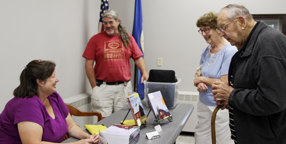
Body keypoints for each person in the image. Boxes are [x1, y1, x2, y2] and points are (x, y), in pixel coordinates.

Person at [212, 4, 286, 144]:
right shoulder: (249, 45)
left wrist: (231, 94)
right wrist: (231, 100)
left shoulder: (268, 43)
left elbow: (273, 100)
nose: (221, 34)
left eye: (223, 27)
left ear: (241, 22)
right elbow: (251, 87)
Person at [0, 60, 101, 144]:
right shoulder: (27, 105)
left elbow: (71, 126)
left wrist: (88, 137)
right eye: (53, 76)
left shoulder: (52, 96)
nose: (57, 79)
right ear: (40, 82)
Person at [82, 10, 148, 118]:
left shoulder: (128, 38)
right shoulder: (95, 39)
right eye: (105, 23)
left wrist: (144, 72)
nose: (108, 25)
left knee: (123, 119)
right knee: (102, 122)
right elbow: (88, 64)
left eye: (111, 22)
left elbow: (138, 58)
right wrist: (94, 87)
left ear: (118, 21)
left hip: (124, 87)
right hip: (102, 87)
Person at [194, 11, 237, 144]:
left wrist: (202, 80)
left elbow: (223, 83)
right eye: (201, 30)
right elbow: (198, 75)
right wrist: (199, 83)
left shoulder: (229, 51)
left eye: (207, 29)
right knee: (201, 140)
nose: (204, 34)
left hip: (220, 107)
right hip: (203, 104)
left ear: (218, 29)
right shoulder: (206, 51)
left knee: (220, 141)